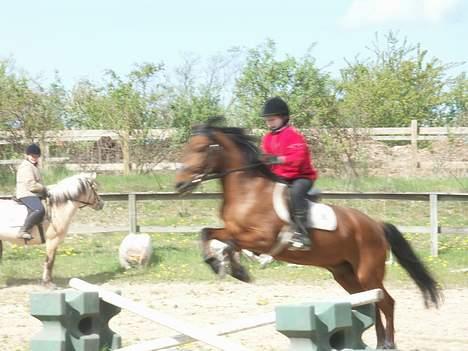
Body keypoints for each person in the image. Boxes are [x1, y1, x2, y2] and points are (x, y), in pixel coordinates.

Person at [260, 97, 318, 250]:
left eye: (272, 120)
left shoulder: (293, 135)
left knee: (296, 194)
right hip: (280, 177)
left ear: (284, 118)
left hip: (301, 177)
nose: (269, 123)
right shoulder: (267, 138)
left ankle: (302, 234)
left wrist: (278, 159)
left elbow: (298, 159)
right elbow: (266, 158)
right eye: (267, 120)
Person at [15, 143, 47, 240]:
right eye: (32, 155)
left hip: (33, 193)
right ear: (27, 155)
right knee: (39, 209)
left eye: (36, 156)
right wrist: (45, 189)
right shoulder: (26, 166)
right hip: (26, 193)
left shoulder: (33, 166)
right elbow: (31, 185)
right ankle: (23, 231)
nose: (34, 157)